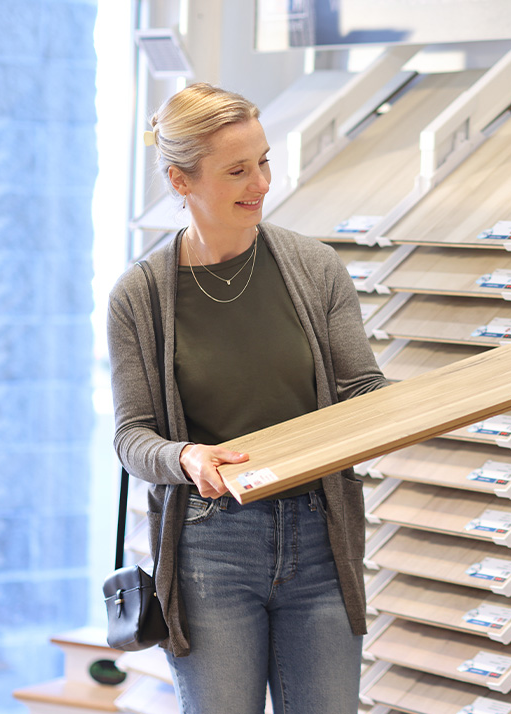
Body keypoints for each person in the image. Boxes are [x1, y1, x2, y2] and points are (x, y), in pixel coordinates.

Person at [107, 83, 387, 714]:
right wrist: (188, 460)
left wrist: (419, 408)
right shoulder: (140, 296)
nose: (259, 182)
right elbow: (133, 437)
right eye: (237, 169)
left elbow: (363, 390)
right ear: (182, 180)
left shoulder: (315, 268)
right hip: (211, 547)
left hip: (321, 537)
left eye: (263, 160)